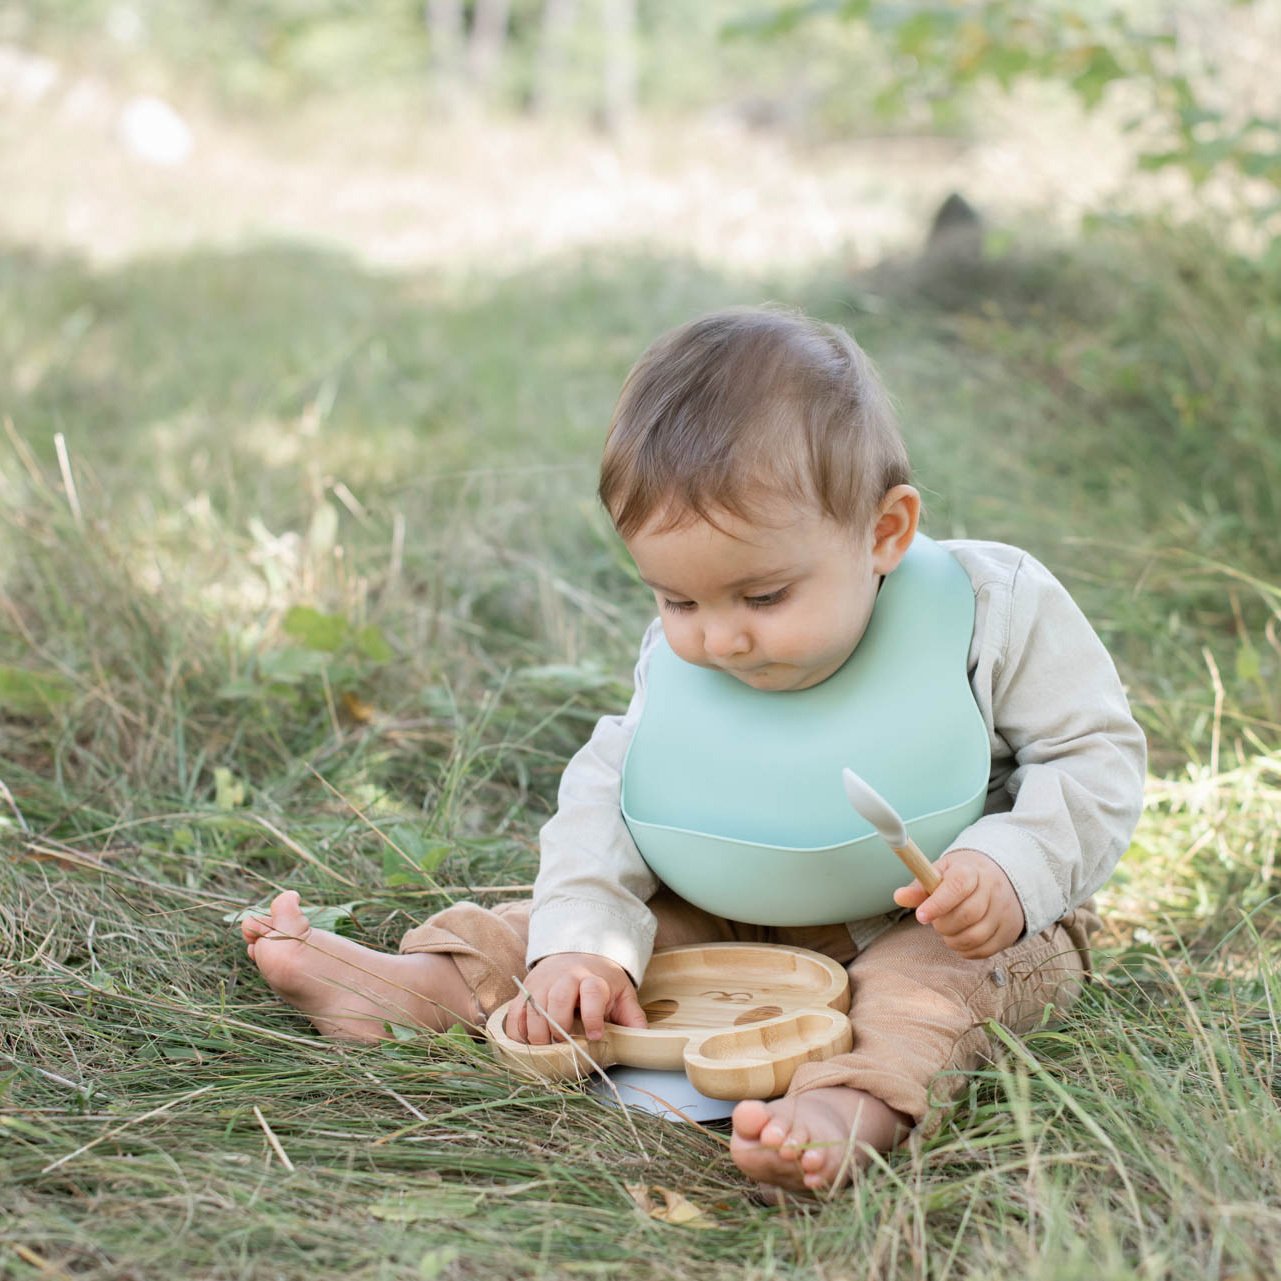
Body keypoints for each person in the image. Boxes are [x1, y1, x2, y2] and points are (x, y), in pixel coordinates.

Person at [240, 307, 1146, 1197]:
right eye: (677, 602)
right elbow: (618, 789)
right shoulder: (700, 638)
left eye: (761, 596)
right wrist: (579, 945)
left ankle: (843, 1113)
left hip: (933, 916)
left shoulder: (990, 609)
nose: (719, 640)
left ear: (884, 532)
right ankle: (422, 990)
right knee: (575, 930)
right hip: (719, 906)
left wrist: (1009, 866)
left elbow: (1093, 754)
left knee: (937, 993)